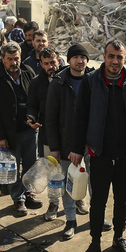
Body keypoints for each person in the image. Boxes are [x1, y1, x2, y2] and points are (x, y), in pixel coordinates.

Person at [70, 40, 126, 252]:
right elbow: (80, 117)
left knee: (123, 200)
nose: (115, 61)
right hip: (99, 153)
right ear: (104, 56)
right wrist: (77, 149)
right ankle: (95, 242)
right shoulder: (91, 82)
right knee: (99, 200)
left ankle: (118, 238)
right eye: (111, 56)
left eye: (119, 57)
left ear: (125, 58)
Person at [0, 41, 41, 216]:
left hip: (29, 130)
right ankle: (18, 199)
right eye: (9, 59)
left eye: (16, 58)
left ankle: (28, 193)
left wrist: (36, 118)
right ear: (2, 59)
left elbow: (35, 99)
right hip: (9, 132)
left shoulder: (27, 72)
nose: (14, 62)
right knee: (13, 167)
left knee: (30, 165)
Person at [45, 44, 93, 239]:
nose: (79, 61)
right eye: (75, 57)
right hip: (67, 143)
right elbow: (50, 117)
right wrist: (55, 148)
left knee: (95, 184)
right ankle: (70, 221)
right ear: (69, 59)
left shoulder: (94, 80)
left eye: (83, 57)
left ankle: (96, 218)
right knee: (69, 185)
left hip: (92, 144)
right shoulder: (58, 83)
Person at [27, 45, 61, 161]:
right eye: (46, 63)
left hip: (68, 134)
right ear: (41, 64)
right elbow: (32, 105)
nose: (50, 66)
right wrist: (32, 118)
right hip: (47, 134)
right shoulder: (36, 83)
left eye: (52, 62)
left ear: (59, 61)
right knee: (50, 171)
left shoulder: (66, 79)